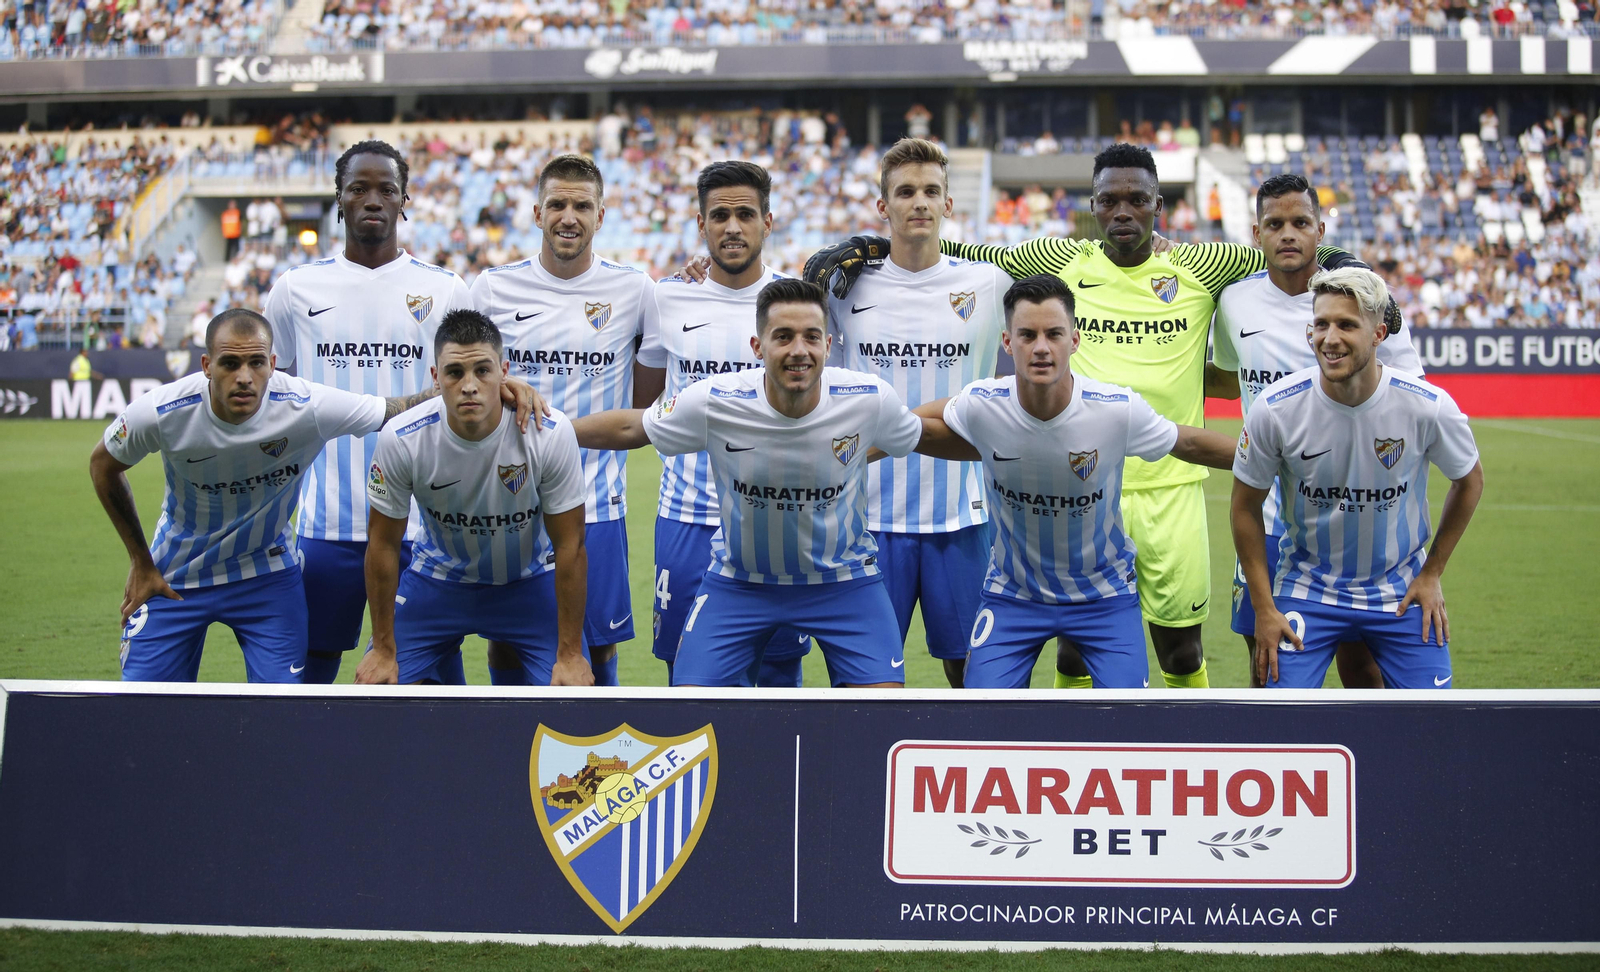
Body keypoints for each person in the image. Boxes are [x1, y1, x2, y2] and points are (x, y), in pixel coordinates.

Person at [809, 143, 1365, 691]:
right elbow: (958, 255)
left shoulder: (1203, 263)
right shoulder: (1058, 260)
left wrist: (1359, 277)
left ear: (1158, 204)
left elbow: (1290, 248)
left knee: (1182, 646)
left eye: (1137, 199)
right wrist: (870, 245)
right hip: (1084, 480)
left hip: (1170, 483)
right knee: (1072, 650)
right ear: (1092, 206)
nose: (1123, 212)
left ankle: (1180, 748)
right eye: (1108, 200)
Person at [262, 140, 539, 684]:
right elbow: (283, 399)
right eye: (358, 188)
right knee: (314, 673)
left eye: (386, 189)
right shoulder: (295, 289)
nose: (372, 199)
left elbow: (476, 372)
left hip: (427, 525)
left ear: (405, 200)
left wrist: (516, 386)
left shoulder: (444, 289)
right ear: (338, 200)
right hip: (327, 522)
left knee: (431, 677)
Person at [570, 279, 929, 688]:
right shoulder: (715, 400)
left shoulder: (868, 398)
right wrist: (555, 430)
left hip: (844, 583)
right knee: (691, 709)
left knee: (882, 712)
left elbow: (921, 433)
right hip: (740, 582)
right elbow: (632, 427)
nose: (799, 350)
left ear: (828, 345)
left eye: (811, 337)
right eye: (783, 337)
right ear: (758, 347)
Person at [905, 275, 1237, 688]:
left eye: (1053, 334)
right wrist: (867, 442)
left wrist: (1269, 461)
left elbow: (1186, 441)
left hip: (1104, 597)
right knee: (983, 715)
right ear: (1008, 343)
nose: (1041, 347)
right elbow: (913, 424)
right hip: (1013, 595)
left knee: (1128, 722)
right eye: (1027, 335)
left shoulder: (1115, 409)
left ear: (1075, 340)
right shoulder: (983, 404)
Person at [88, 309, 439, 683]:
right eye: (230, 363)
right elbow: (102, 465)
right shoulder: (161, 411)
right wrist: (141, 561)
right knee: (143, 706)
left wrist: (490, 388)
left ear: (273, 364)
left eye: (256, 362)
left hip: (265, 574)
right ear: (207, 365)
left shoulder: (306, 406)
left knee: (282, 710)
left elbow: (394, 410)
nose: (244, 377)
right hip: (174, 574)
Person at [1212, 173, 1427, 688]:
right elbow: (1225, 376)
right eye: (1275, 224)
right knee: (1266, 658)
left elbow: (1408, 392)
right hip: (1268, 516)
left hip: (1346, 513)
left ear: (1320, 229)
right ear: (1257, 233)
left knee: (1361, 663)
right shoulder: (1234, 302)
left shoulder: (1367, 301)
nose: (1288, 234)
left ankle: (1369, 761)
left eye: (1300, 222)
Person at [811, 138, 1010, 687]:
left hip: (963, 514)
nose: (918, 202)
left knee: (973, 674)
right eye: (904, 192)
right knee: (862, 680)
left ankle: (974, 771)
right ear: (883, 207)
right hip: (867, 519)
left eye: (931, 191)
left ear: (949, 204)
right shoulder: (842, 287)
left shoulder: (989, 284)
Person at [1232, 268, 1484, 689]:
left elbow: (1470, 480)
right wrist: (1264, 607)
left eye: (1347, 325)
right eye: (1321, 324)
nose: (1330, 338)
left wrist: (1432, 572)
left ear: (1378, 333)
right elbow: (1243, 506)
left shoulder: (1428, 406)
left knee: (1435, 729)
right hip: (1308, 588)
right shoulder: (1275, 409)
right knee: (1277, 722)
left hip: (1401, 592)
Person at [469, 154, 664, 688]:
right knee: (508, 647)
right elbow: (466, 383)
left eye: (582, 204)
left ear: (602, 216)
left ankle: (599, 766)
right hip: (510, 502)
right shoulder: (491, 289)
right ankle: (511, 760)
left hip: (596, 507)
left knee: (594, 657)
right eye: (557, 203)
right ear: (537, 212)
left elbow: (644, 408)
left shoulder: (636, 290)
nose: (569, 216)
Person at [639, 160, 811, 687]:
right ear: (701, 224)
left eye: (744, 214)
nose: (732, 227)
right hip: (686, 519)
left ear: (768, 221)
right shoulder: (666, 297)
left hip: (774, 522)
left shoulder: (798, 303)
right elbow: (647, 405)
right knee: (685, 676)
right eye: (719, 216)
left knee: (778, 676)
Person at [356, 310, 591, 687]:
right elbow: (382, 544)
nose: (469, 385)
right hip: (437, 581)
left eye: (482, 370)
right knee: (377, 691)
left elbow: (571, 545)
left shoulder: (550, 432)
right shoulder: (401, 437)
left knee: (568, 692)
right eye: (454, 373)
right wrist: (383, 649)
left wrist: (571, 654)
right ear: (436, 378)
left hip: (527, 582)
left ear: (504, 372)